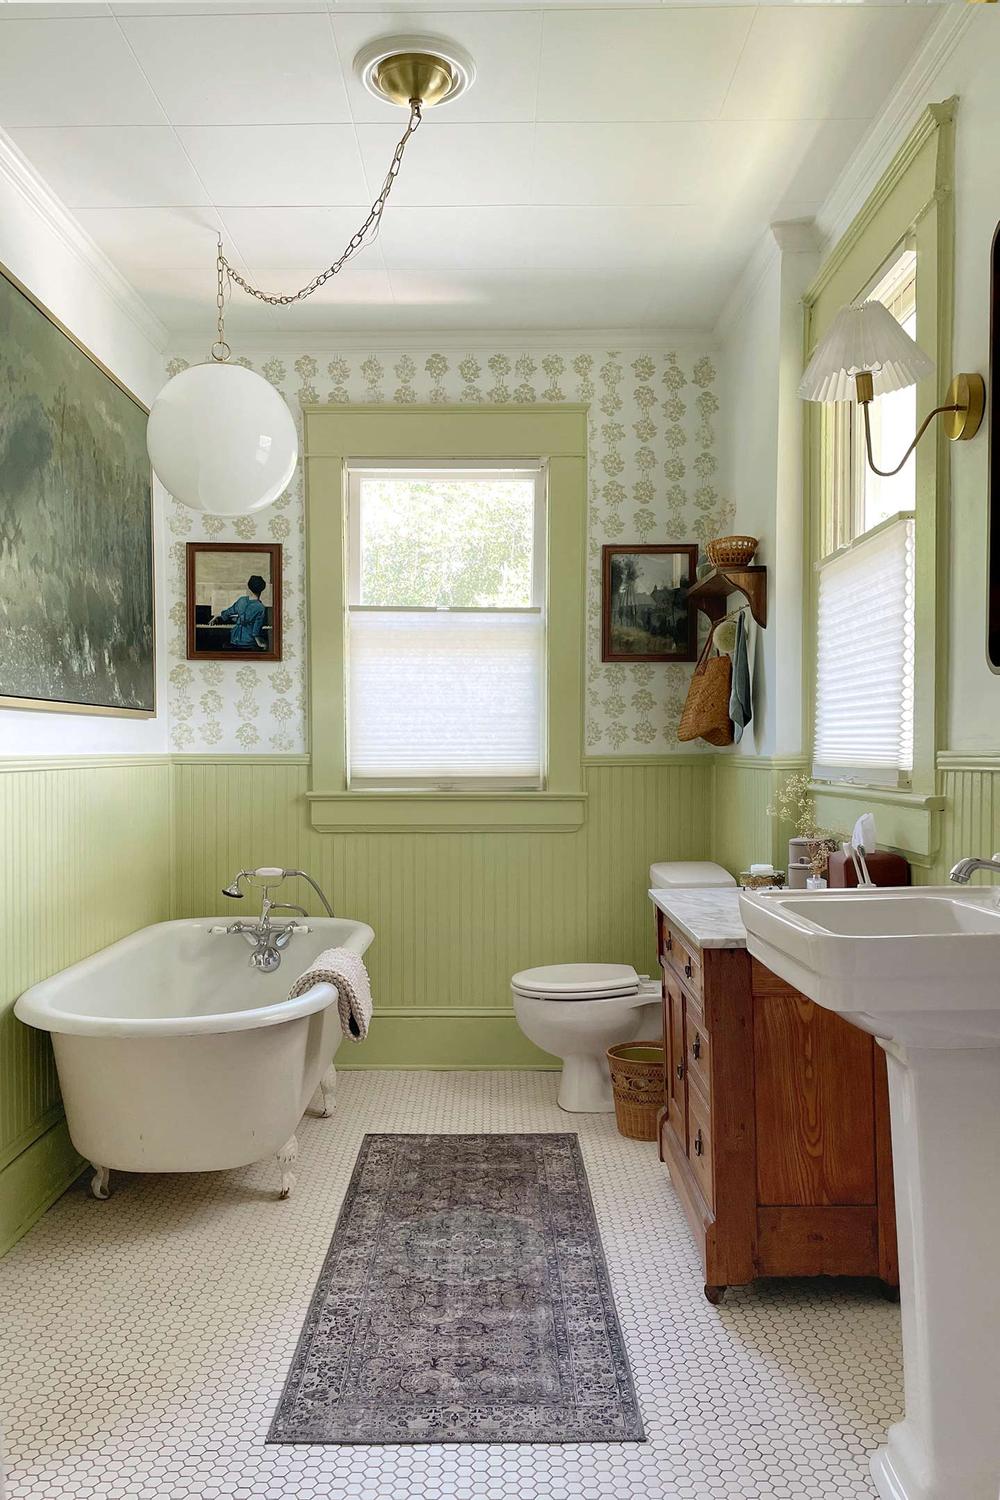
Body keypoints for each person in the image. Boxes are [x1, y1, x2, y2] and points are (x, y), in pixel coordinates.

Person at [214, 574, 268, 650]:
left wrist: (217, 617)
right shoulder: (260, 607)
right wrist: (262, 644)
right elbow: (255, 633)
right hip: (249, 642)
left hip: (234, 639)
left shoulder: (241, 600)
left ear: (249, 587)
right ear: (262, 589)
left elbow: (227, 612)